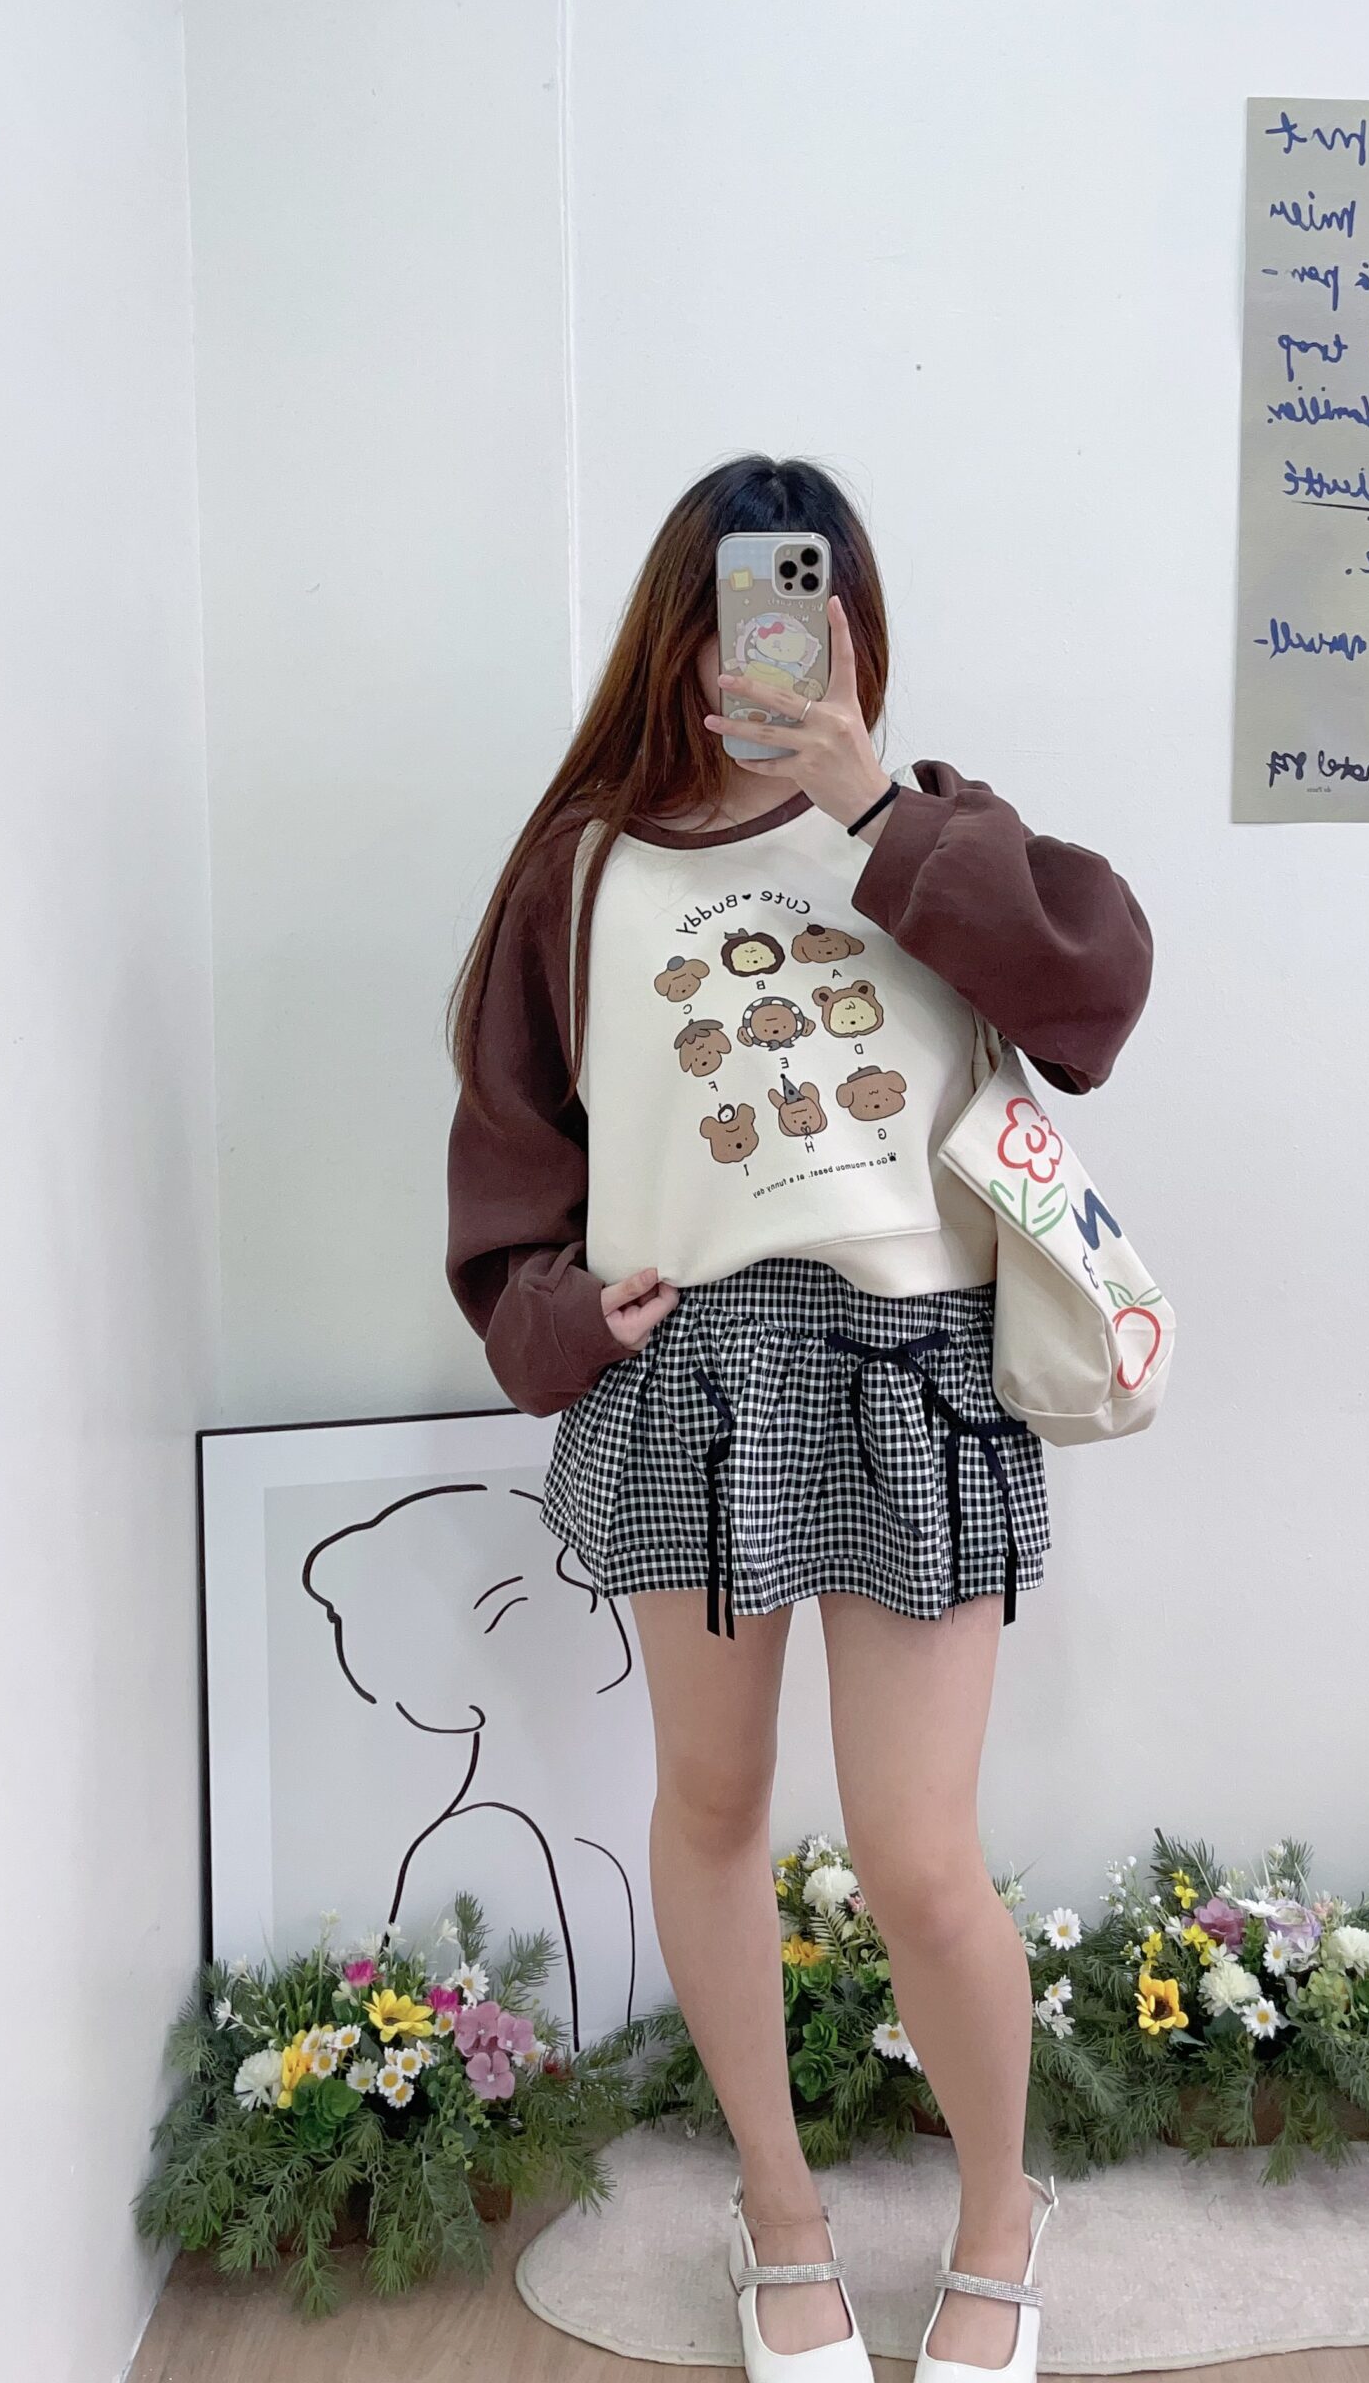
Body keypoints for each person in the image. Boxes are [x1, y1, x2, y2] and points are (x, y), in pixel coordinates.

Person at [444, 455, 1153, 2383]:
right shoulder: (580, 867)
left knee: (920, 1857)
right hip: (699, 1380)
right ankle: (780, 2213)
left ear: (848, 631)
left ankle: (999, 2213)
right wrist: (565, 1312)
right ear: (669, 640)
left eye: (791, 616)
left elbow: (1094, 995)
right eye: (719, 624)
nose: (746, 661)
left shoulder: (930, 833)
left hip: (914, 1370)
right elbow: (512, 1155)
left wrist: (869, 799)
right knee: (712, 1806)